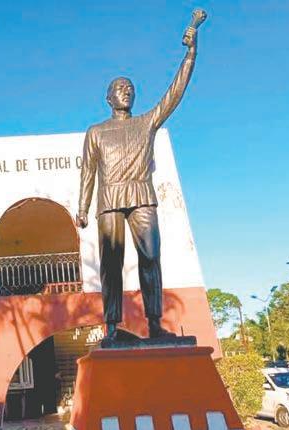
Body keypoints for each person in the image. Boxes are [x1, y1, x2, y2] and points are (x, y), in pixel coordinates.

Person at [77, 22, 199, 341]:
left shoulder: (146, 123)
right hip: (109, 201)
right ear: (108, 98)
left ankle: (154, 323)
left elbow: (174, 93)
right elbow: (88, 171)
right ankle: (112, 327)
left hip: (142, 195)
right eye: (120, 87)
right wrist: (82, 208)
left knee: (150, 258)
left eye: (130, 87)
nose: (127, 91)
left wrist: (191, 53)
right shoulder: (96, 132)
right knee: (111, 264)